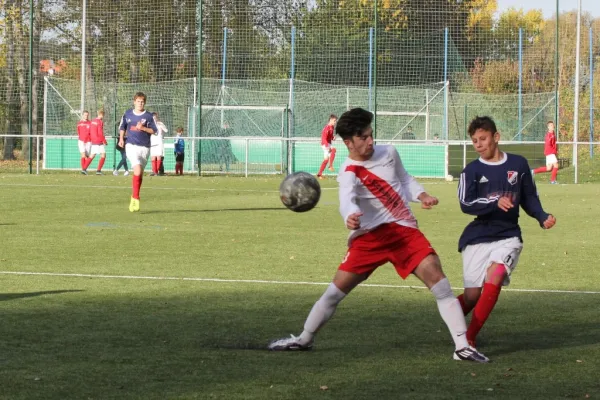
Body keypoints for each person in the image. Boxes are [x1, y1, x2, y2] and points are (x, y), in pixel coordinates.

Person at [268, 108, 489, 363]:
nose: (371, 141)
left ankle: (462, 347)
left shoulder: (389, 153)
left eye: (371, 135)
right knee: (334, 293)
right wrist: (350, 214)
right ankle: (304, 339)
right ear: (348, 142)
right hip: (369, 238)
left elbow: (405, 180)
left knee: (440, 282)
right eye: (363, 137)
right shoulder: (349, 170)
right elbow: (346, 199)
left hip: (403, 231)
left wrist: (422, 195)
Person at [456, 116, 556, 348]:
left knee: (496, 274)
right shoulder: (471, 171)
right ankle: (452, 317)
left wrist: (542, 217)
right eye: (474, 141)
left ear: (496, 137)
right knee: (472, 296)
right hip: (478, 236)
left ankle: (469, 338)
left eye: (483, 138)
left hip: (508, 235)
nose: (479, 144)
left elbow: (529, 198)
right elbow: (465, 203)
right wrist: (493, 203)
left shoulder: (519, 165)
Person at [118, 92, 158, 212]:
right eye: (138, 101)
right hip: (131, 145)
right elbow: (122, 127)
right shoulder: (127, 113)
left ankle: (134, 195)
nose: (140, 103)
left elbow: (154, 131)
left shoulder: (149, 116)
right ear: (134, 102)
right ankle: (136, 197)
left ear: (144, 103)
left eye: (142, 101)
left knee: (139, 174)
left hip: (145, 148)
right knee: (137, 169)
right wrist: (121, 139)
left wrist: (143, 128)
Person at [85, 109, 107, 175]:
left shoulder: (92, 121)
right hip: (99, 141)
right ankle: (98, 170)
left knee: (92, 155)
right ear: (101, 115)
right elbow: (100, 132)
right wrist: (104, 140)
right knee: (103, 155)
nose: (103, 117)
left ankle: (84, 169)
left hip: (93, 140)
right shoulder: (100, 121)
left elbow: (90, 131)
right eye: (103, 115)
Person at [316, 114, 338, 179]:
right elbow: (324, 138)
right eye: (334, 121)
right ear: (330, 120)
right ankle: (330, 166)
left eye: (335, 121)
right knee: (333, 150)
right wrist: (326, 146)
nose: (335, 122)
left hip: (328, 143)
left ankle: (319, 174)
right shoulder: (327, 128)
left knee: (326, 159)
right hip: (325, 144)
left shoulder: (332, 127)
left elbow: (330, 136)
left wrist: (333, 137)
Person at [150, 112, 168, 176]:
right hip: (152, 142)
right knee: (153, 157)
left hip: (159, 142)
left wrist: (161, 125)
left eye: (155, 116)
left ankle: (157, 171)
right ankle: (154, 172)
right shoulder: (149, 124)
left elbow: (166, 130)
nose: (154, 118)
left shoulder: (160, 124)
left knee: (158, 156)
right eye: (153, 117)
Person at [77, 110, 92, 175]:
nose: (86, 116)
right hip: (81, 141)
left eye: (87, 115)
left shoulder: (90, 123)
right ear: (83, 115)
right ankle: (83, 170)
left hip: (88, 141)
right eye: (85, 115)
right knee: (83, 155)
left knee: (87, 156)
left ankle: (84, 169)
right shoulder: (79, 123)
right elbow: (79, 132)